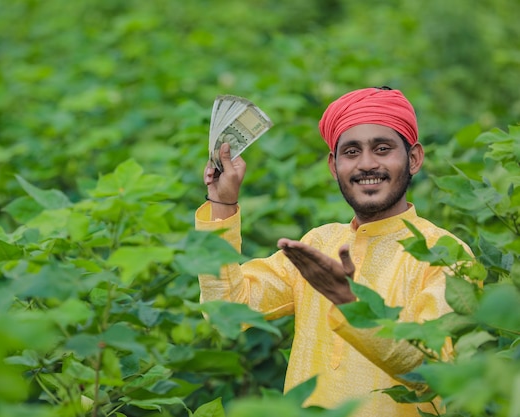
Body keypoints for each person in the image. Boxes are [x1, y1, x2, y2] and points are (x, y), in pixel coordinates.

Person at [195, 87, 471, 416]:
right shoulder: (318, 244)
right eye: (351, 152)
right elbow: (225, 310)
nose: (367, 164)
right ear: (333, 165)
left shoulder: (445, 254)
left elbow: (434, 369)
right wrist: (222, 205)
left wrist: (349, 304)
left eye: (382, 149)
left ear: (413, 159)